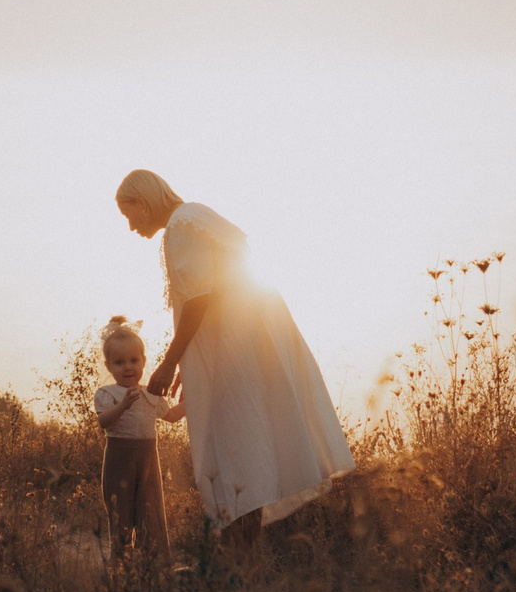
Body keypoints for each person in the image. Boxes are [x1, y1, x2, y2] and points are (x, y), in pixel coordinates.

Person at [116, 170, 352, 545]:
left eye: (128, 216)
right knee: (244, 448)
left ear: (142, 203)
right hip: (241, 344)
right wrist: (193, 360)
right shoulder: (193, 216)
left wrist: (170, 362)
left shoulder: (181, 226)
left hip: (233, 353)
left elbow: (199, 300)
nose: (130, 227)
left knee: (230, 452)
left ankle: (237, 561)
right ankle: (243, 560)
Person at [91, 316, 184, 561]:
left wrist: (190, 402)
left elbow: (171, 416)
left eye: (134, 360)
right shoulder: (107, 393)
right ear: (108, 366)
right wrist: (123, 405)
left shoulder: (150, 394)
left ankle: (154, 566)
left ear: (143, 360)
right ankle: (121, 566)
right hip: (119, 460)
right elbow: (103, 421)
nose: (128, 367)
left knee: (150, 511)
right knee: (120, 513)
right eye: (119, 362)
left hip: (148, 460)